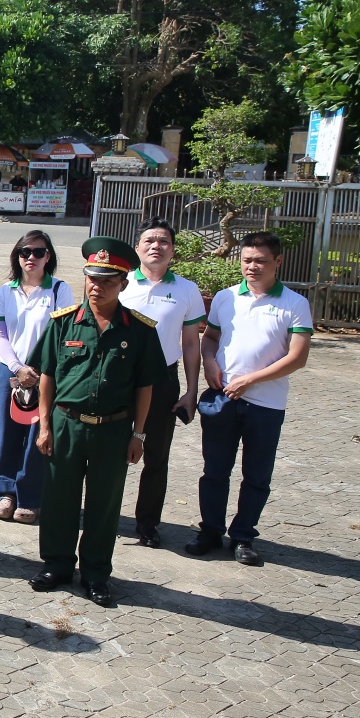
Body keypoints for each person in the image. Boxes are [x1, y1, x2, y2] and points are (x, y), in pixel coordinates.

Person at [28, 237, 165, 607]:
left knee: (104, 506)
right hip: (66, 424)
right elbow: (47, 376)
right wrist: (44, 426)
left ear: (123, 283)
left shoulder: (140, 330)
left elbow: (145, 386)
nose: (96, 286)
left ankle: (95, 573)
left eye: (106, 280)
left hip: (114, 429)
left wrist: (138, 434)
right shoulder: (63, 323)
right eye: (92, 278)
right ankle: (56, 565)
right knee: (59, 499)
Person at [187, 231, 312, 566]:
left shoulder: (295, 304)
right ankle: (210, 531)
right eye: (246, 260)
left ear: (278, 261)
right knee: (214, 471)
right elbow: (210, 338)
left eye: (260, 261)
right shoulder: (226, 297)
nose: (252, 267)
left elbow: (298, 357)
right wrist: (209, 363)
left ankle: (243, 536)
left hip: (266, 404)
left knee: (257, 476)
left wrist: (251, 380)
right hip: (223, 399)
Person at [120, 218, 206, 547]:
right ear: (137, 247)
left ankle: (147, 524)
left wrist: (192, 391)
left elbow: (191, 343)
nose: (157, 246)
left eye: (164, 241)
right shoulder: (122, 283)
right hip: (121, 380)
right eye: (150, 240)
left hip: (163, 381)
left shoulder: (186, 289)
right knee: (109, 450)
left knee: (156, 457)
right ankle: (102, 514)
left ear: (173, 249)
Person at [0, 231, 75, 523]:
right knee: (8, 434)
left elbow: (62, 335)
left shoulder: (60, 291)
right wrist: (17, 368)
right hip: (10, 372)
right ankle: (6, 492)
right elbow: (0, 335)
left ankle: (30, 497)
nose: (31, 258)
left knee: (37, 436)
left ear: (48, 256)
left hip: (45, 374)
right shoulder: (6, 291)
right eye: (24, 252)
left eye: (38, 252)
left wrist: (38, 371)